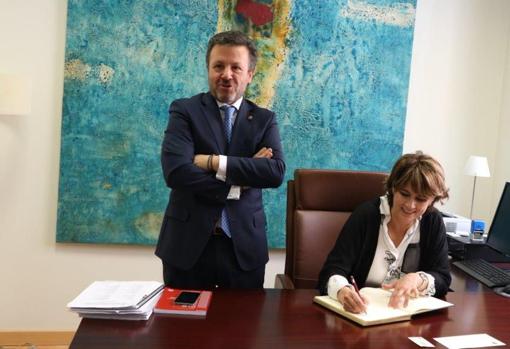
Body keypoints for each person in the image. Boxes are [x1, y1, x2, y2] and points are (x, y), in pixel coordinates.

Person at [156, 30, 286, 289]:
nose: (226, 74)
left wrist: (213, 162)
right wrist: (239, 184)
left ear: (249, 74)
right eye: (218, 66)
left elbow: (274, 172)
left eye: (236, 67)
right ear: (208, 70)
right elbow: (177, 172)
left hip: (244, 249)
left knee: (241, 328)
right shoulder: (184, 111)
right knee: (182, 328)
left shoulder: (264, 119)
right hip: (187, 247)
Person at [318, 151, 451, 313]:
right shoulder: (366, 215)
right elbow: (331, 271)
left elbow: (443, 278)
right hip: (362, 316)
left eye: (421, 199)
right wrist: (343, 292)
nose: (410, 205)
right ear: (393, 187)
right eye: (405, 194)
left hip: (406, 319)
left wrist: (417, 279)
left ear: (433, 199)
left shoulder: (432, 222)